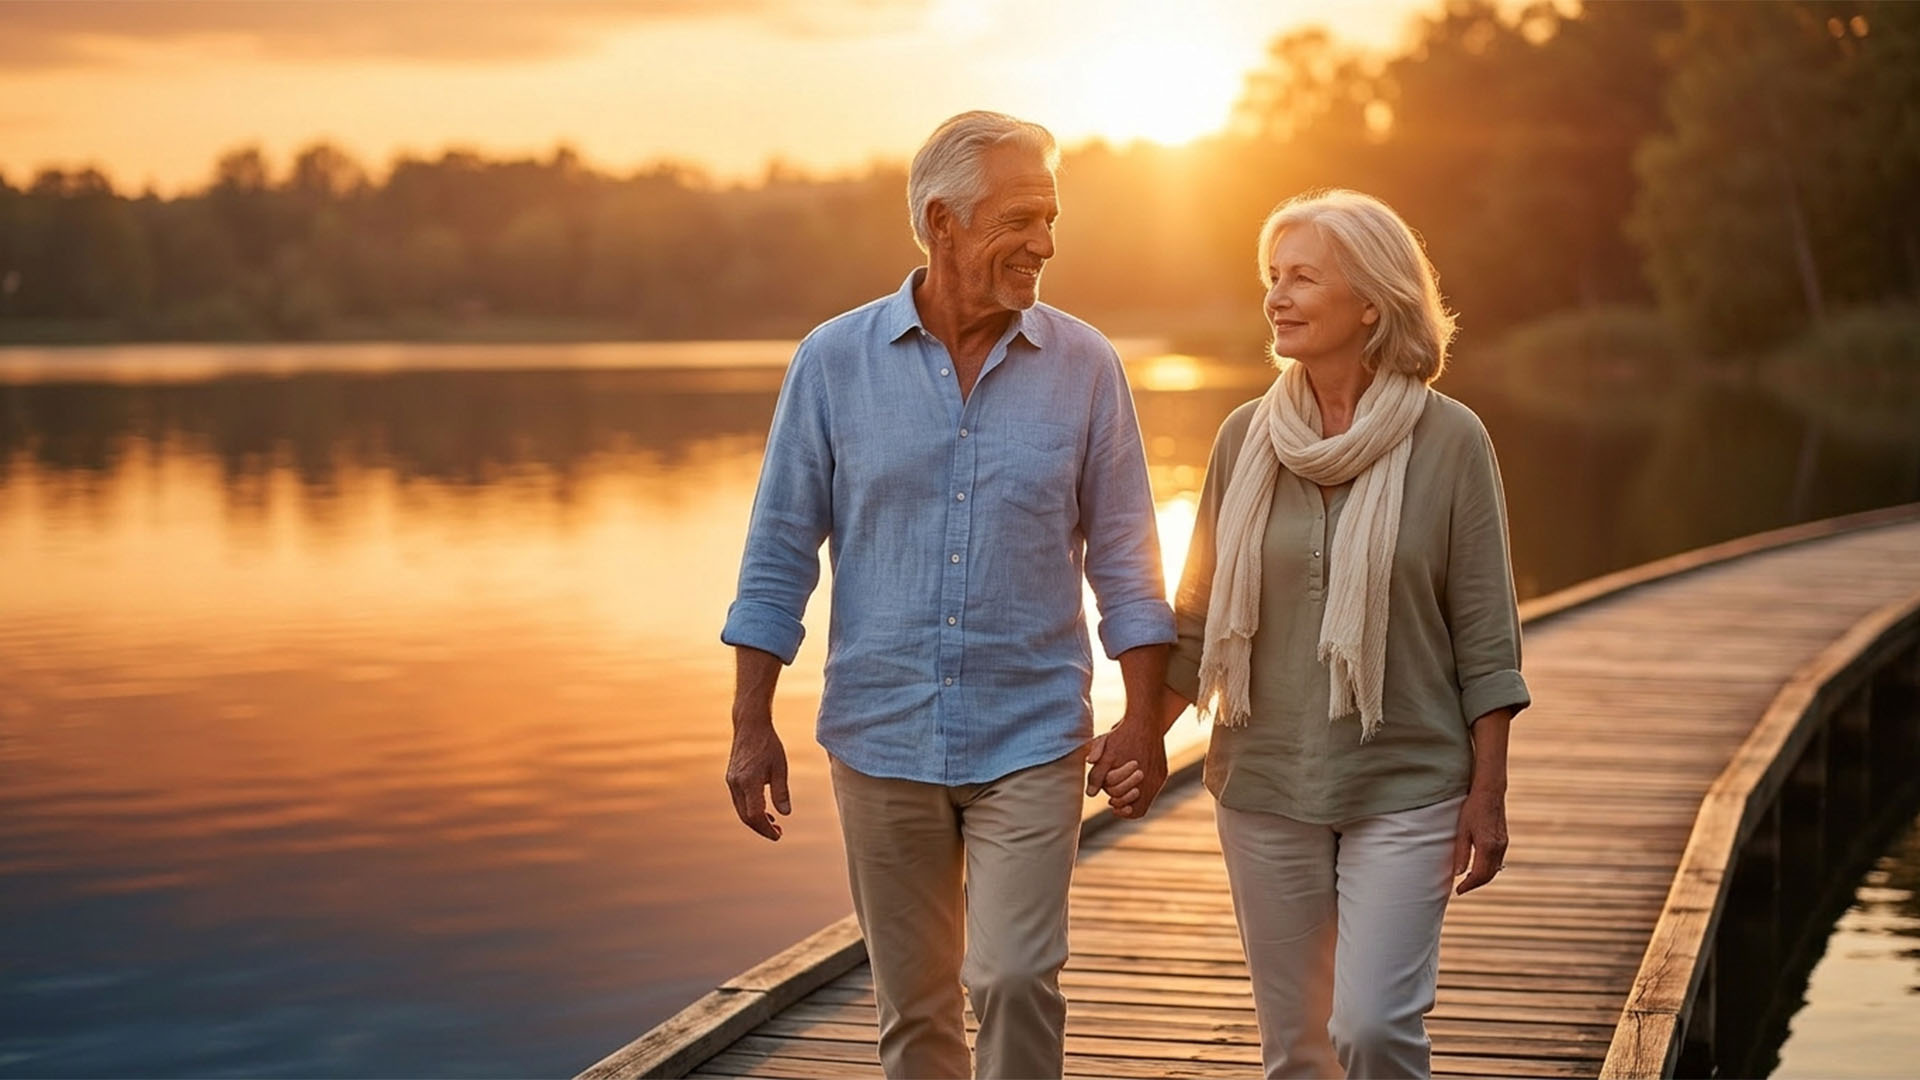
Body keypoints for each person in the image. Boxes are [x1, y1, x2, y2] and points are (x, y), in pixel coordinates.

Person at [720, 110, 1175, 1080]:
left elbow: (1130, 559)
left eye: (1051, 219)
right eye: (1020, 220)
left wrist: (1142, 719)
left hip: (1033, 737)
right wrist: (750, 722)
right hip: (881, 740)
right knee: (915, 1014)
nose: (1044, 244)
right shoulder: (832, 365)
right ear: (943, 223)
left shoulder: (1087, 367)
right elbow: (777, 556)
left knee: (1014, 977)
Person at [1089, 189, 1530, 1079]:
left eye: (1302, 278)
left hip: (1406, 779)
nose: (1276, 298)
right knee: (1296, 1050)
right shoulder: (1244, 437)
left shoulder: (1452, 441)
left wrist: (1488, 793)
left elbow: (1486, 636)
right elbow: (1198, 620)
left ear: (1371, 299)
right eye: (1271, 278)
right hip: (1263, 780)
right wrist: (1142, 731)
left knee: (1372, 1031)